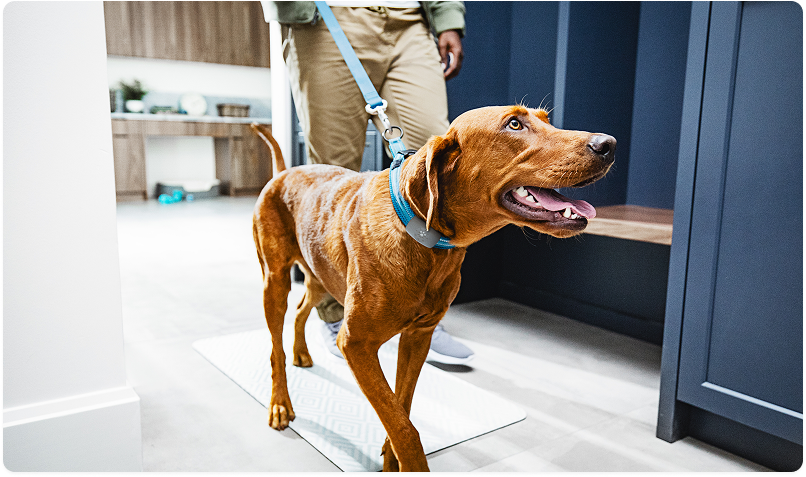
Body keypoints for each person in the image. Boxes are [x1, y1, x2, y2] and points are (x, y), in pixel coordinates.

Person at [261, 1, 474, 365]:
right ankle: (335, 311)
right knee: (333, 171)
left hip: (410, 20)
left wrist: (448, 19)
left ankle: (422, 311)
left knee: (431, 168)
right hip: (325, 15)